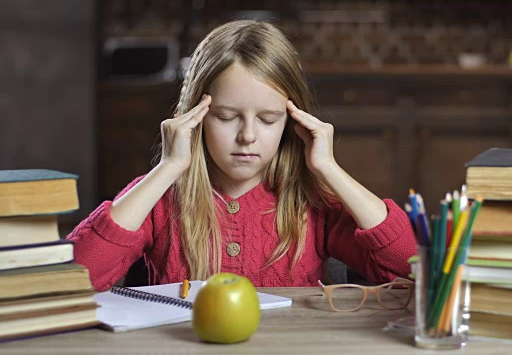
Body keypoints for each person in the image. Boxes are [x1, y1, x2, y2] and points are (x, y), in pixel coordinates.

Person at [68, 20, 416, 291]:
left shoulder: (311, 201)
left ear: (293, 121)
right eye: (226, 117)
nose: (247, 136)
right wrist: (168, 168)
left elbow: (412, 266)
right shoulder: (160, 198)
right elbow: (72, 278)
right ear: (195, 117)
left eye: (267, 119)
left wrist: (329, 169)